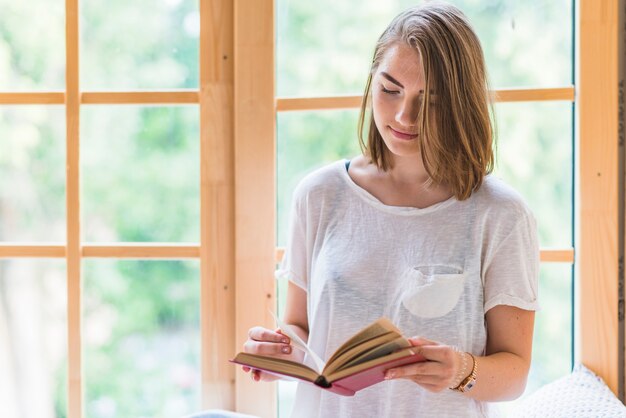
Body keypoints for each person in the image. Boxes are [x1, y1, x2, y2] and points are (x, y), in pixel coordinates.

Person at [242, 2, 539, 417]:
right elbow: (300, 328)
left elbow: (514, 373)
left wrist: (461, 370)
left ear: (460, 102)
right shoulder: (319, 194)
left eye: (431, 100)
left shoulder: (500, 214)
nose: (405, 115)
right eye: (391, 89)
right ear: (371, 84)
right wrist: (278, 350)